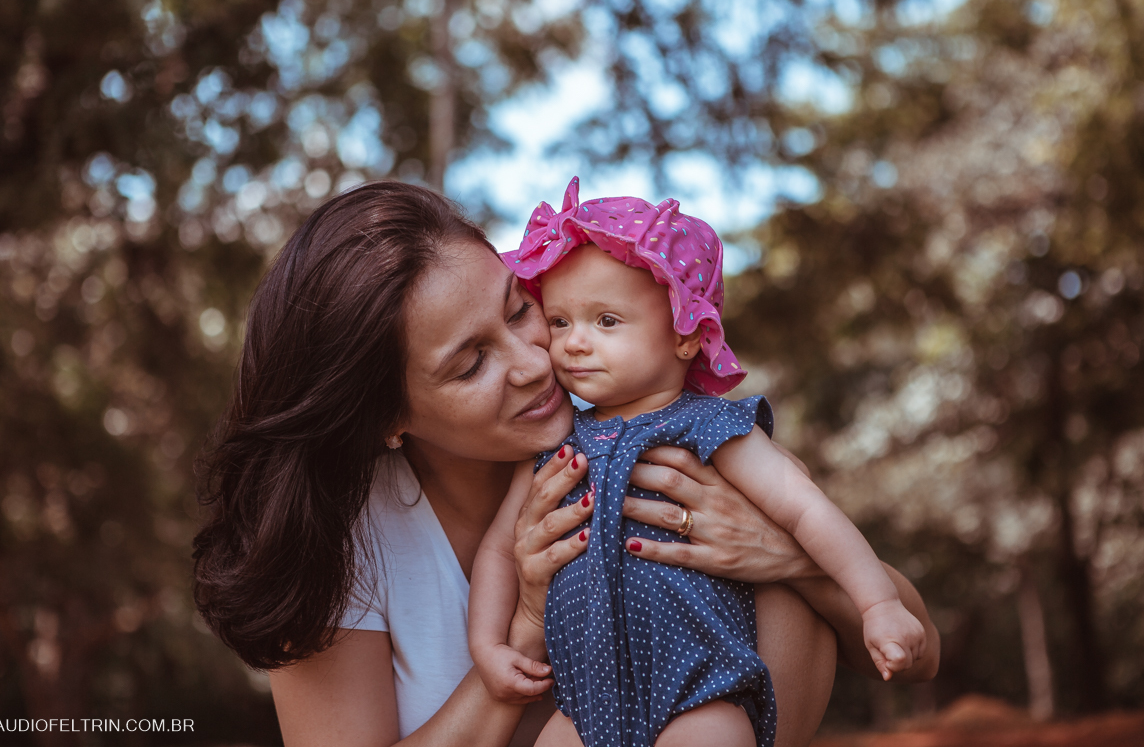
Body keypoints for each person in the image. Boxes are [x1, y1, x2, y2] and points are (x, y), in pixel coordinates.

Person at [191, 180, 939, 747]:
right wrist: (520, 630)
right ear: (387, 417)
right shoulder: (335, 545)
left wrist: (780, 557)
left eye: (521, 310)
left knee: (789, 588)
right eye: (471, 363)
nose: (534, 362)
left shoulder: (668, 447)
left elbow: (920, 649)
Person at [469, 180, 925, 747]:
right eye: (559, 322)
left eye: (606, 321)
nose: (573, 343)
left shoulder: (709, 427)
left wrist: (878, 603)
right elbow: (500, 549)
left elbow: (806, 509)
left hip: (699, 693)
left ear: (686, 335)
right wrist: (488, 645)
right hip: (582, 708)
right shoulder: (556, 443)